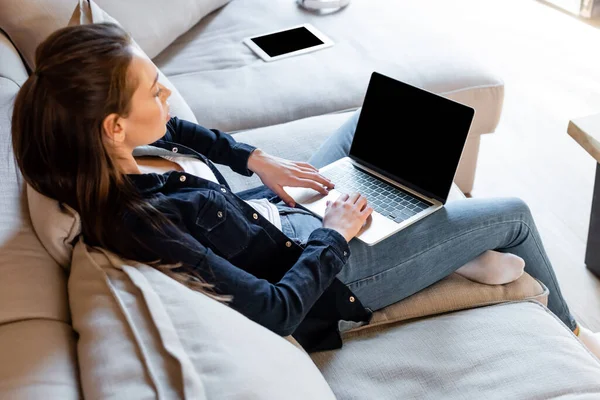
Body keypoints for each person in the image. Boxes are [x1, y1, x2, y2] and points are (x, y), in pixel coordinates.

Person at [12, 22, 600, 355]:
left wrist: (256, 159)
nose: (165, 95)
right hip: (332, 276)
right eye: (152, 91)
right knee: (516, 213)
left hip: (278, 218)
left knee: (370, 130)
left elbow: (182, 131)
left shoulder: (105, 154)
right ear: (114, 126)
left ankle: (430, 240)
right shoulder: (142, 223)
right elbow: (275, 310)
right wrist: (334, 232)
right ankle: (573, 332)